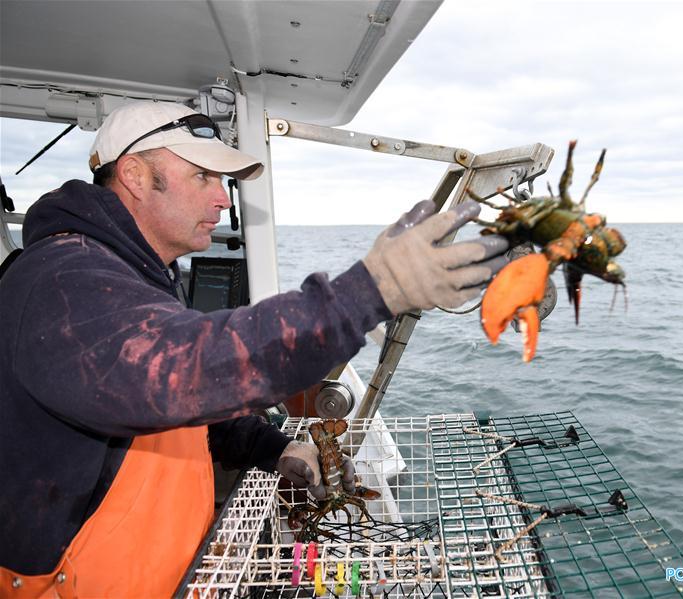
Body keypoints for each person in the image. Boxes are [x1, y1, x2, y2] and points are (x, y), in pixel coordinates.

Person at [0, 101, 508, 596]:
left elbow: (180, 412)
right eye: (203, 176)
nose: (222, 199)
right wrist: (369, 292)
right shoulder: (63, 280)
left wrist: (276, 448)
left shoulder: (136, 273)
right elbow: (179, 373)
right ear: (134, 175)